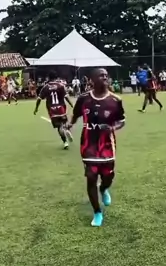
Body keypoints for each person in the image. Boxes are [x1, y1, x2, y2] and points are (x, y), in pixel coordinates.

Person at [67, 68, 125, 227]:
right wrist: (71, 124)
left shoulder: (115, 100)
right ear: (92, 80)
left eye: (106, 75)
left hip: (107, 145)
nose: (105, 77)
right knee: (91, 177)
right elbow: (76, 114)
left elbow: (122, 121)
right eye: (101, 75)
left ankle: (104, 189)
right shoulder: (83, 99)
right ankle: (97, 212)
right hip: (89, 144)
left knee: (108, 177)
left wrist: (113, 127)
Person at [34, 74, 74, 150]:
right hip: (61, 108)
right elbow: (66, 97)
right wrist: (72, 105)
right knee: (64, 123)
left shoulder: (46, 87)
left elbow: (39, 99)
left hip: (52, 110)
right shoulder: (61, 86)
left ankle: (65, 142)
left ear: (48, 78)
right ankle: (66, 130)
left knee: (59, 127)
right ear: (56, 78)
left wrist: (36, 109)